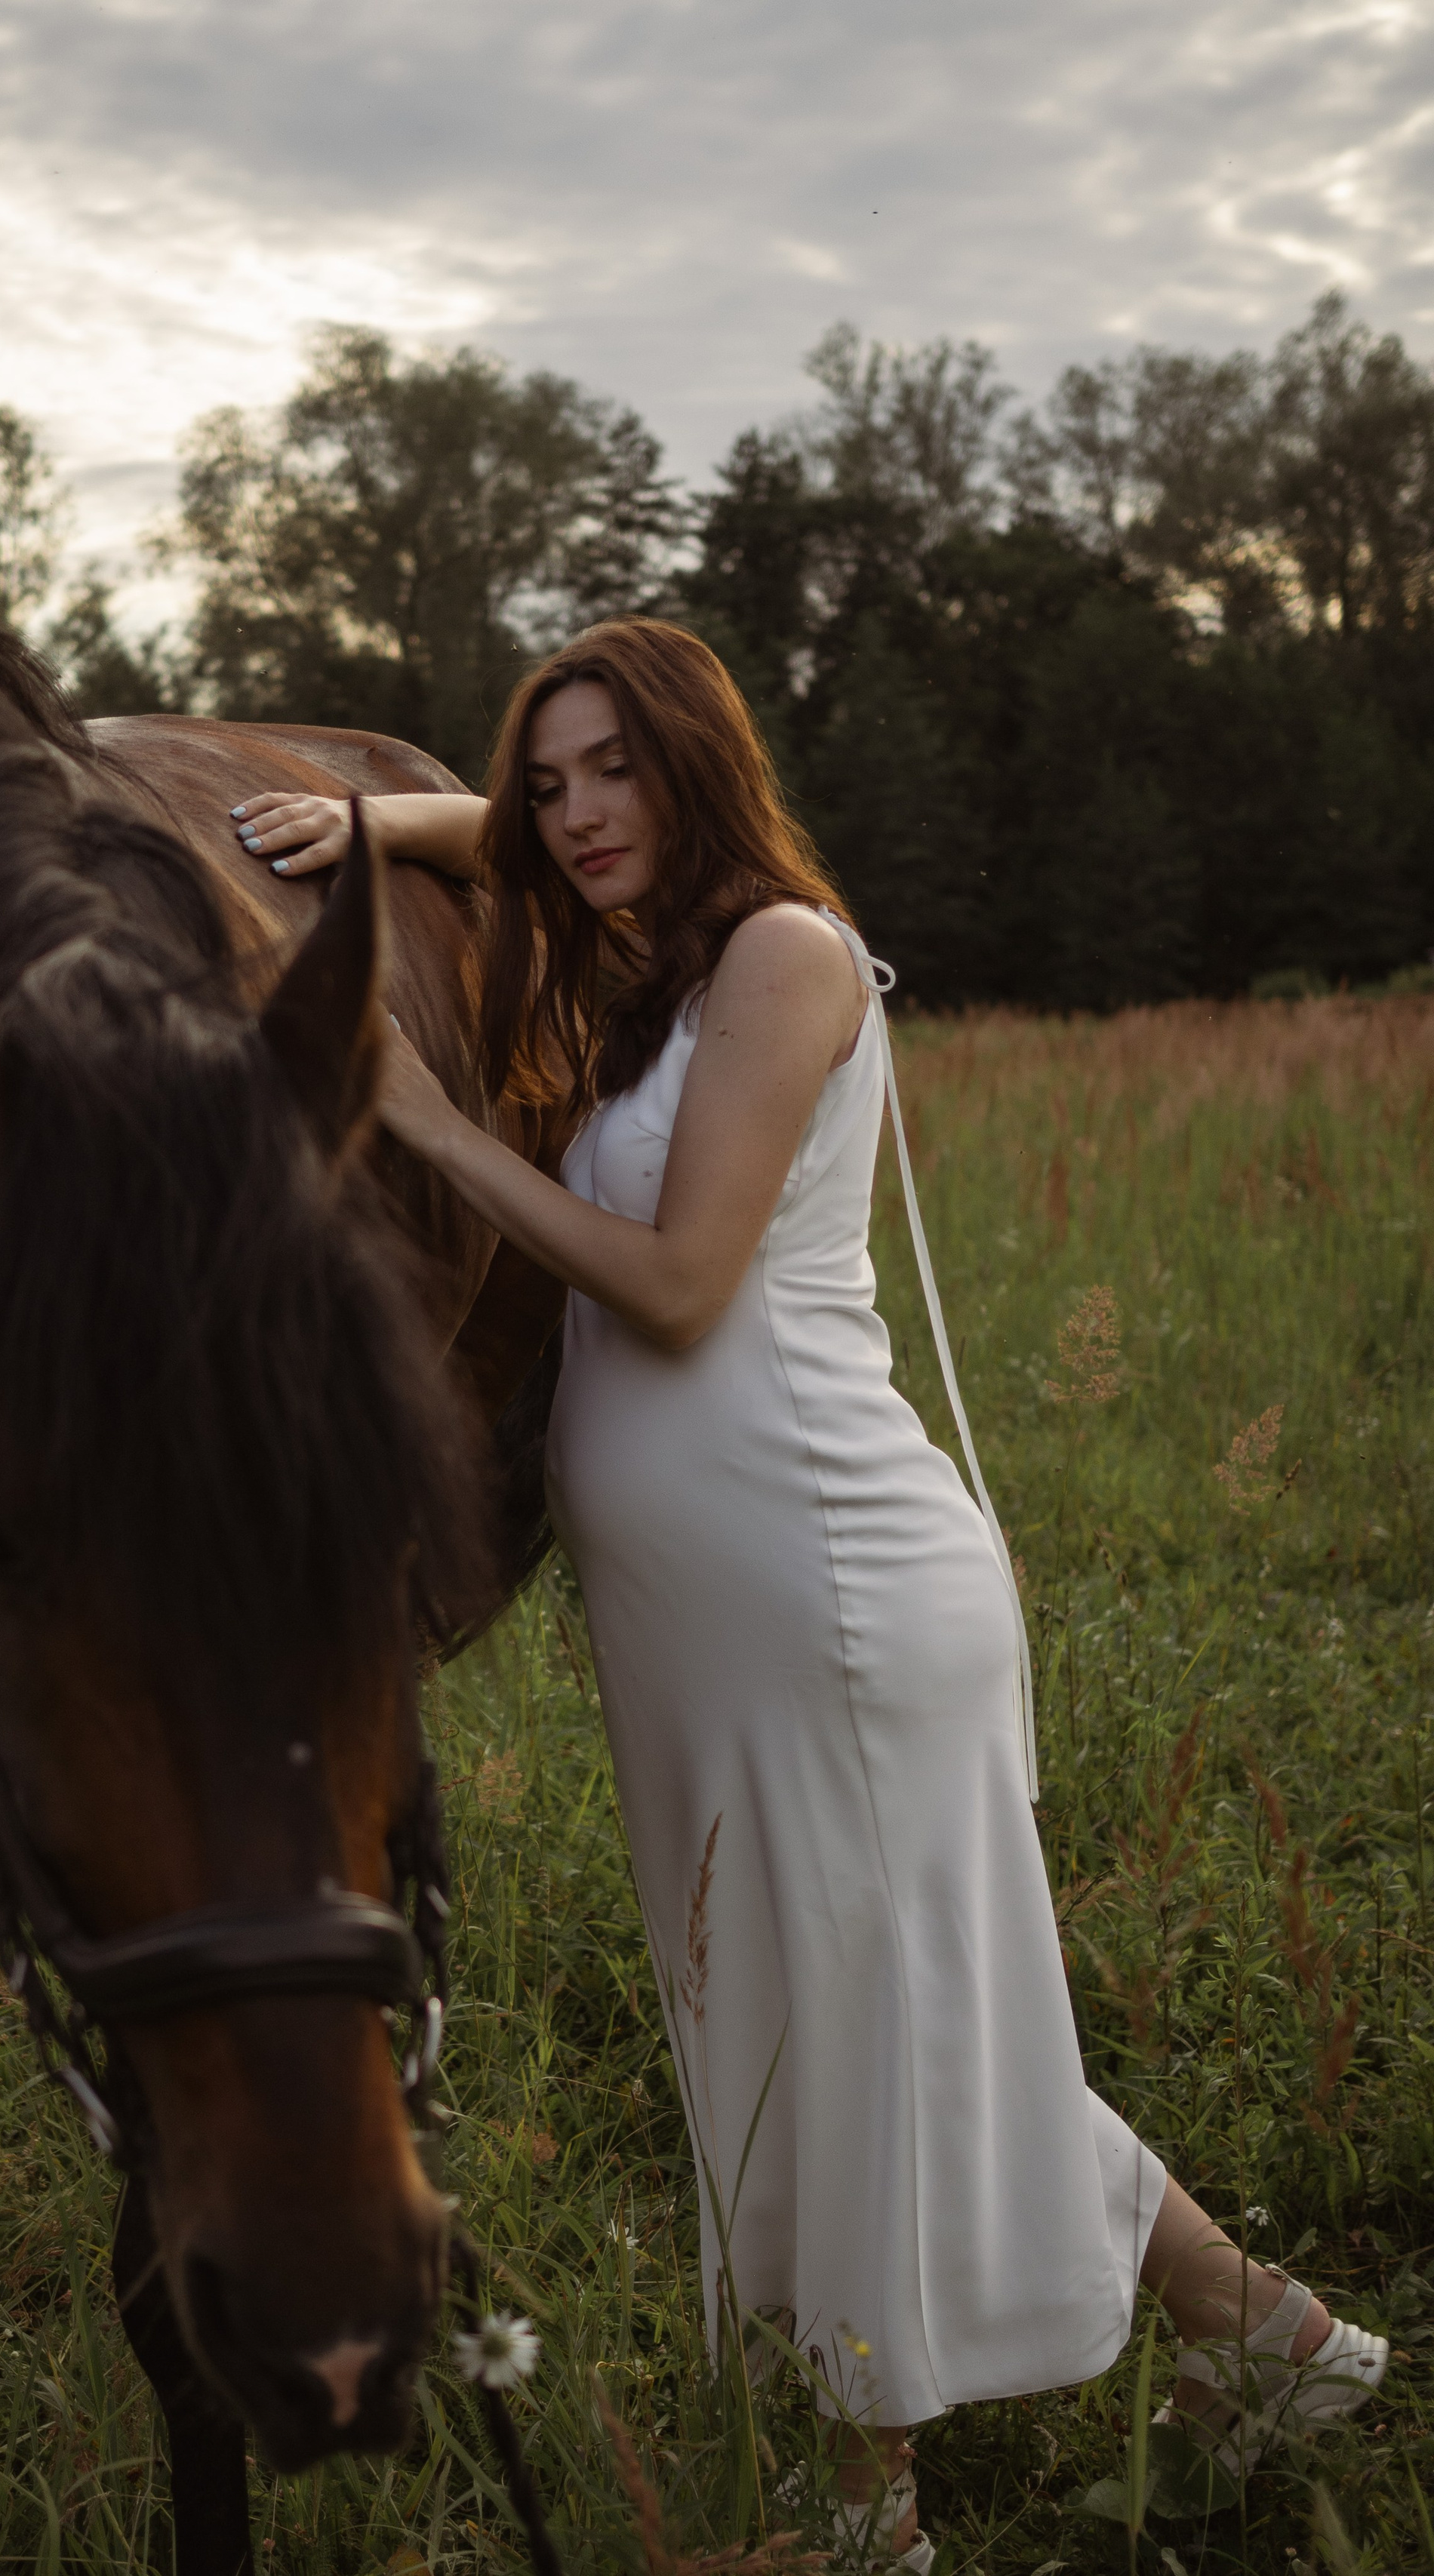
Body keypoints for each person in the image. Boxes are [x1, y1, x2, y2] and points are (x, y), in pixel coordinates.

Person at [229, 619, 1385, 2571]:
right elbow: (518, 851)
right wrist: (385, 822)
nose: (583, 812)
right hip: (722, 1613)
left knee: (857, 2037)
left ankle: (877, 2516)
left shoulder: (783, 957)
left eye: (621, 769)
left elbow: (680, 1286)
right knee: (888, 2024)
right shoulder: (651, 971)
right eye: (555, 777)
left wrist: (428, 1127)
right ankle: (1275, 2342)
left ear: (701, 763)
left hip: (828, 1581)